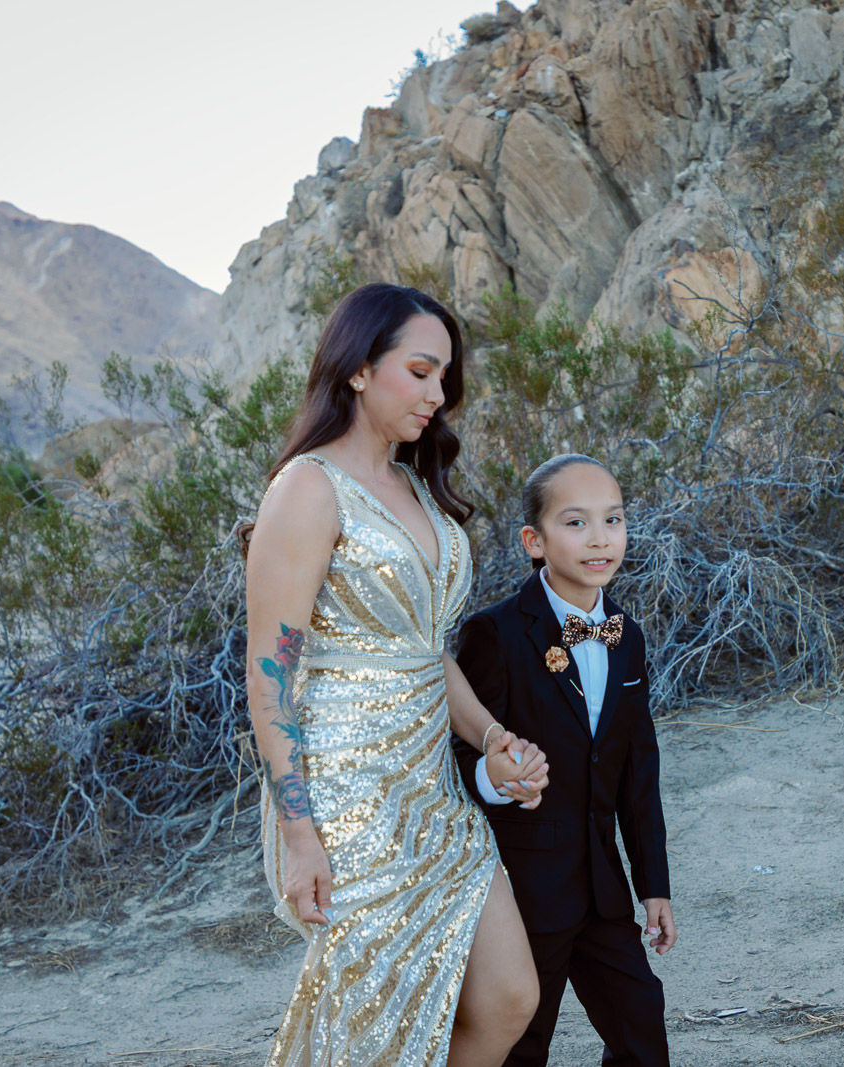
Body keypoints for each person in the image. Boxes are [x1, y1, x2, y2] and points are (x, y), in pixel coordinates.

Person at [243, 282, 550, 1067]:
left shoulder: (417, 486)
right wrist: (300, 831)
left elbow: (421, 649)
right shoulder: (307, 489)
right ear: (356, 368)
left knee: (509, 993)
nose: (436, 394)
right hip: (349, 803)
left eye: (443, 377)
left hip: (431, 791)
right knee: (372, 1029)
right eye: (418, 371)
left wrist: (490, 738)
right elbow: (270, 674)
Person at [452, 453, 676, 1067]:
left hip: (604, 888)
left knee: (641, 1028)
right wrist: (495, 782)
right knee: (524, 1040)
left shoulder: (627, 637)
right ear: (535, 539)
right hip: (524, 890)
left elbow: (638, 770)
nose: (600, 538)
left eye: (614, 520)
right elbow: (454, 757)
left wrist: (652, 884)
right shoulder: (494, 635)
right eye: (576, 523)